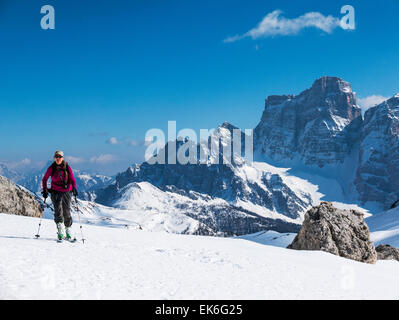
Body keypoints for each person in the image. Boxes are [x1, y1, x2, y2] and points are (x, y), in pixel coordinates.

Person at [41, 151, 78, 241]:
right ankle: (60, 231)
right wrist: (45, 190)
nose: (58, 158)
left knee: (66, 210)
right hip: (56, 192)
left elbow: (72, 178)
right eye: (56, 157)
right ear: (54, 158)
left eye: (60, 157)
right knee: (58, 210)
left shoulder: (67, 167)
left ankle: (68, 230)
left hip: (67, 192)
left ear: (63, 158)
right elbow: (44, 179)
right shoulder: (52, 168)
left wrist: (74, 188)